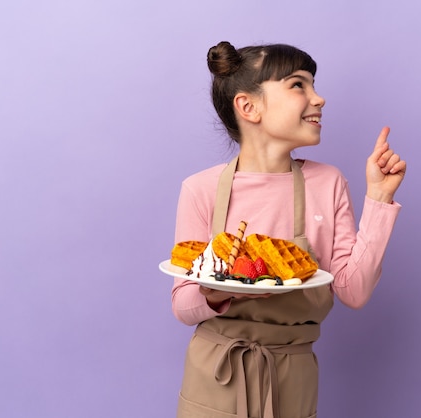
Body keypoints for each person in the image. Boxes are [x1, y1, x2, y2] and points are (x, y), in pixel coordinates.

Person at [170, 41, 406, 418]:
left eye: (313, 84)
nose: (319, 98)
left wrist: (377, 198)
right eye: (299, 85)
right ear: (249, 107)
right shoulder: (200, 189)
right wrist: (219, 292)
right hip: (215, 375)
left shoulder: (327, 182)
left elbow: (354, 290)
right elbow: (183, 305)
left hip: (292, 376)